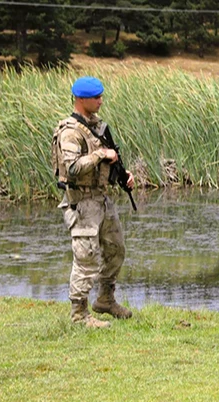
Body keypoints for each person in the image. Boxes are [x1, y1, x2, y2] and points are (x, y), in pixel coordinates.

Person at [52, 76, 134, 328]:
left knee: (115, 250)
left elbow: (107, 162)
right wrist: (101, 154)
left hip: (101, 199)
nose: (101, 101)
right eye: (96, 97)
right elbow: (73, 168)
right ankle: (79, 314)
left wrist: (122, 175)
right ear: (81, 99)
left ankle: (105, 299)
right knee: (86, 258)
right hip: (82, 203)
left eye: (101, 96)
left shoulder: (96, 127)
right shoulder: (70, 132)